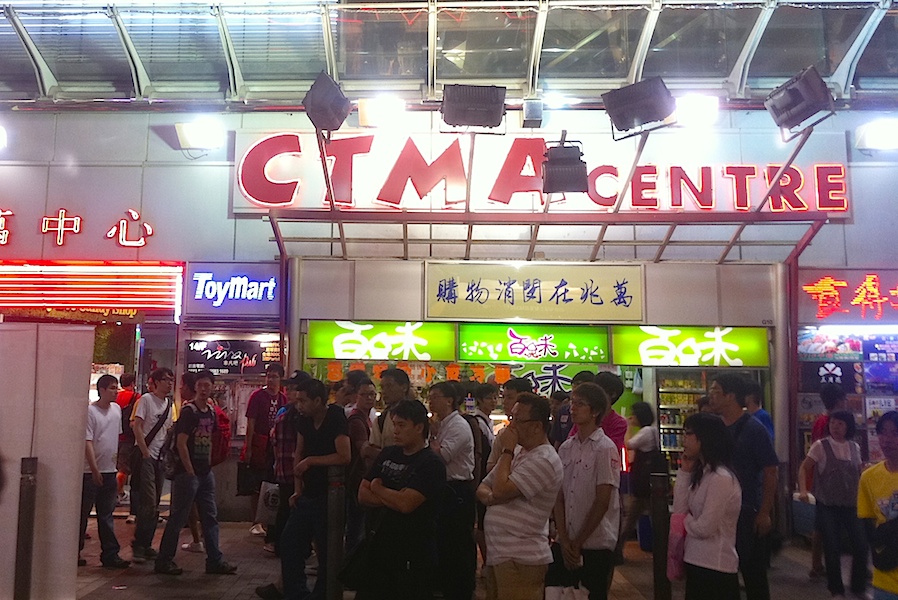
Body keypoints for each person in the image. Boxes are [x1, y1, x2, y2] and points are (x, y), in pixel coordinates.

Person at [357, 400, 447, 599]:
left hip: (413, 553)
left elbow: (406, 504)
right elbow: (362, 494)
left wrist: (378, 488)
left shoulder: (431, 463)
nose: (395, 431)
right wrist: (393, 497)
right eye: (394, 424)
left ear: (419, 427)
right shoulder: (388, 453)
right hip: (378, 546)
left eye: (401, 425)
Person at [477, 392, 563, 600]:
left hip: (521, 557)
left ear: (537, 426)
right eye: (511, 418)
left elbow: (500, 489)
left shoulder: (544, 459)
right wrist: (492, 499)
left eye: (517, 420)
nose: (511, 426)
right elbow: (483, 487)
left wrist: (507, 451)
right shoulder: (520, 452)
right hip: (501, 553)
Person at [154, 370, 238, 576]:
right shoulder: (189, 412)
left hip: (205, 473)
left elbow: (211, 438)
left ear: (212, 387)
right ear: (195, 387)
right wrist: (190, 470)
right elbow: (181, 443)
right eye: (200, 385)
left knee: (210, 517)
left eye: (207, 385)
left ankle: (214, 560)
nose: (203, 389)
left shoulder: (210, 411)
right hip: (188, 474)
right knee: (178, 517)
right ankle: (164, 560)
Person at [278, 377, 350, 600]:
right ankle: (296, 593)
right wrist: (297, 489)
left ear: (318, 400)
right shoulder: (303, 419)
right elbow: (299, 452)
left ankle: (323, 594)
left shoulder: (335, 416)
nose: (298, 405)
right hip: (308, 494)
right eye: (297, 400)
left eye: (303, 400)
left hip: (330, 494)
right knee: (290, 542)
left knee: (327, 550)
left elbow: (344, 456)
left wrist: (311, 461)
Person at [708, 374, 778, 600]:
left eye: (715, 391)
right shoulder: (715, 428)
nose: (711, 396)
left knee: (753, 573)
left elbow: (770, 471)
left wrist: (765, 512)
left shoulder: (754, 429)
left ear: (730, 396)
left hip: (746, 512)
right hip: (718, 512)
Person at [554, 382, 621, 599]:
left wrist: (578, 542)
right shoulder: (566, 447)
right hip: (565, 540)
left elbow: (602, 500)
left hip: (596, 542)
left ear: (595, 411)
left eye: (580, 404)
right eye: (572, 403)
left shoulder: (605, 448)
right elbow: (559, 497)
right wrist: (564, 539)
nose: (573, 408)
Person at [672, 412, 742, 600]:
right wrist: (684, 472)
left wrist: (687, 520)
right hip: (695, 560)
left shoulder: (721, 478)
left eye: (689, 434)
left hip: (716, 566)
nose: (684, 439)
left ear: (705, 438)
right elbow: (679, 510)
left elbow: (705, 527)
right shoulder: (703, 473)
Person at [798, 410, 867, 598]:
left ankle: (858, 586)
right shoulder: (820, 446)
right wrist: (803, 490)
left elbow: (859, 473)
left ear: (848, 427)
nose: (835, 427)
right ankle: (836, 589)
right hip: (827, 505)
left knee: (861, 545)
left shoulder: (854, 447)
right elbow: (804, 468)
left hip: (851, 504)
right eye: (833, 423)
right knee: (832, 547)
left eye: (840, 424)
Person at [428, 381, 477, 600]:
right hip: (445, 489)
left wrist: (432, 439)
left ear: (449, 400)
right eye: (430, 397)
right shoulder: (442, 424)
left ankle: (460, 590)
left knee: (457, 543)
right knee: (444, 542)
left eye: (435, 397)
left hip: (458, 491)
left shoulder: (458, 425)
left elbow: (442, 457)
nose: (431, 401)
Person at [79, 374, 130, 569]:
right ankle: (75, 551)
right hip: (90, 472)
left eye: (116, 387)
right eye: (112, 388)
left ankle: (110, 554)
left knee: (106, 514)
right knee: (82, 514)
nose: (116, 392)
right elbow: (87, 441)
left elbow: (115, 439)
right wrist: (94, 469)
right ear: (101, 390)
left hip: (110, 470)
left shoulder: (116, 410)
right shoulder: (90, 412)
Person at [130, 367, 174, 564]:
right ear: (155, 382)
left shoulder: (169, 404)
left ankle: (146, 543)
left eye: (171, 380)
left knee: (154, 503)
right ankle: (139, 544)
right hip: (146, 457)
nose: (169, 383)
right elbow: (137, 426)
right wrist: (145, 453)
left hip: (160, 459)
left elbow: (168, 430)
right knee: (148, 501)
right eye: (165, 379)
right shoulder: (146, 400)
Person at [857, 410, 898, 600]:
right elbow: (868, 523)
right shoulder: (869, 478)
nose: (887, 440)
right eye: (882, 433)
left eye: (894, 433)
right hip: (884, 578)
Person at [808, 383, 848, 578]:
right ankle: (819, 564)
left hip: (821, 478)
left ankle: (817, 564)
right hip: (828, 481)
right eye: (844, 399)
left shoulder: (820, 421)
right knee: (824, 524)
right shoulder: (831, 423)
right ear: (839, 401)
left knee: (820, 524)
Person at [243, 363, 287, 537]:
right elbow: (251, 423)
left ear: (281, 378)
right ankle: (256, 521)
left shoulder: (283, 398)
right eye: (269, 376)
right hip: (260, 444)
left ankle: (269, 521)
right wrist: (248, 447)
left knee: (272, 483)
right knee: (257, 483)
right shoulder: (257, 396)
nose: (271, 380)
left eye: (275, 376)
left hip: (277, 447)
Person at [616, 400, 663, 562]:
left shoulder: (646, 431)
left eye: (634, 414)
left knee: (630, 518)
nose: (632, 417)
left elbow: (628, 444)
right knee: (652, 519)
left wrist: (627, 427)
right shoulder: (653, 431)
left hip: (643, 484)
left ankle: (617, 551)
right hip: (649, 483)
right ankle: (662, 551)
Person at [346, 377, 377, 556]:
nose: (369, 398)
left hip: (362, 479)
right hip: (357, 479)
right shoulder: (356, 420)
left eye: (372, 394)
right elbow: (364, 449)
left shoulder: (369, 417)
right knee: (357, 528)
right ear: (356, 396)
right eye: (365, 394)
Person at [362, 368, 412, 466]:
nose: (384, 391)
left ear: (404, 387)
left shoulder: (417, 415)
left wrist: (374, 452)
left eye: (389, 386)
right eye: (382, 387)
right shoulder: (382, 418)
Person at [472, 382, 498, 563]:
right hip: (482, 476)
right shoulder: (478, 423)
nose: (494, 401)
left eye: (496, 397)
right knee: (482, 520)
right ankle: (487, 558)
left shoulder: (488, 421)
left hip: (488, 476)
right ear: (479, 400)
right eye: (489, 398)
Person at [485, 377, 534, 472]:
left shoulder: (535, 433)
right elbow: (490, 467)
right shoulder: (503, 434)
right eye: (503, 397)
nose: (504, 402)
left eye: (510, 397)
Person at [114, 372, 140, 506]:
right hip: (128, 437)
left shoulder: (115, 396)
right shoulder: (136, 397)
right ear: (133, 383)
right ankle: (117, 493)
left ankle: (118, 492)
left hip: (114, 436)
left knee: (115, 465)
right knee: (123, 468)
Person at [594, 371, 629, 450]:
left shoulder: (619, 423)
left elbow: (610, 450)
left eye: (598, 390)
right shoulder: (584, 415)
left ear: (613, 394)